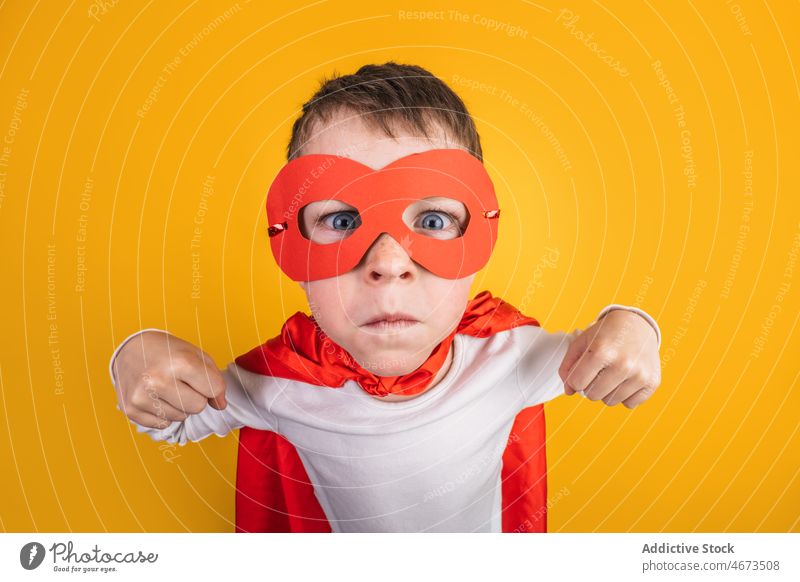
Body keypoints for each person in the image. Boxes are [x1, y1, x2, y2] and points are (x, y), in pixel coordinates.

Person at [109, 62, 662, 532]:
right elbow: (170, 418)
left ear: (483, 230)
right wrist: (138, 354)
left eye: (433, 219)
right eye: (342, 219)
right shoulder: (279, 383)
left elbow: (601, 350)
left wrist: (632, 326)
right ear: (291, 244)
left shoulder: (508, 356)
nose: (390, 263)